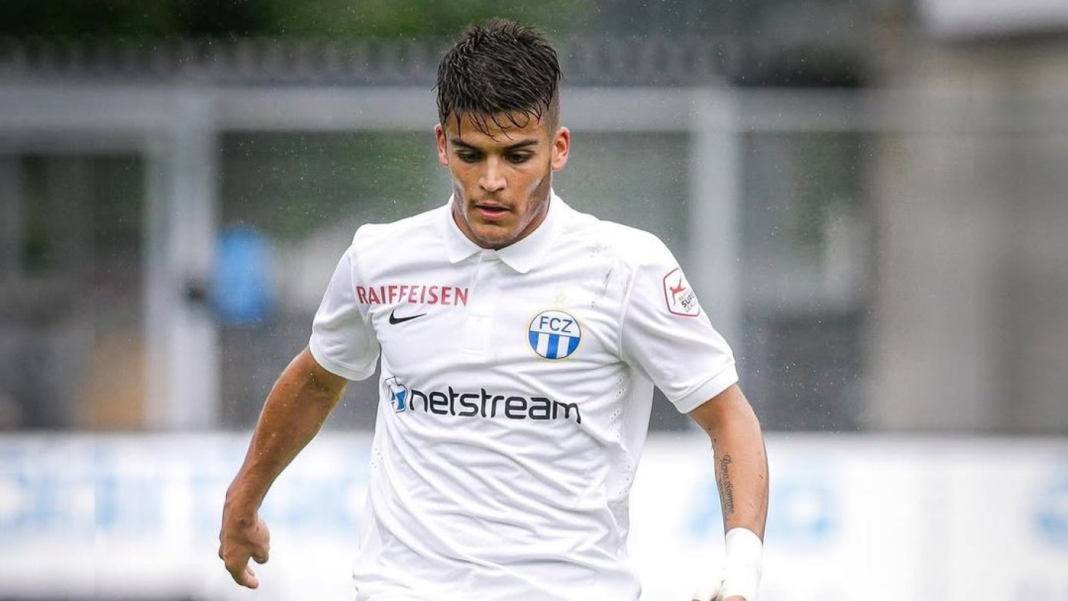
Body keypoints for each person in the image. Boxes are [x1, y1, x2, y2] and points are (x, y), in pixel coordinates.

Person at [219, 19, 768, 601]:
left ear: (558, 149)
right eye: (470, 154)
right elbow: (318, 379)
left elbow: (728, 418)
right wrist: (243, 497)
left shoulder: (626, 268)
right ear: (441, 144)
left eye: (517, 155)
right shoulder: (379, 259)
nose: (492, 181)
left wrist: (742, 574)